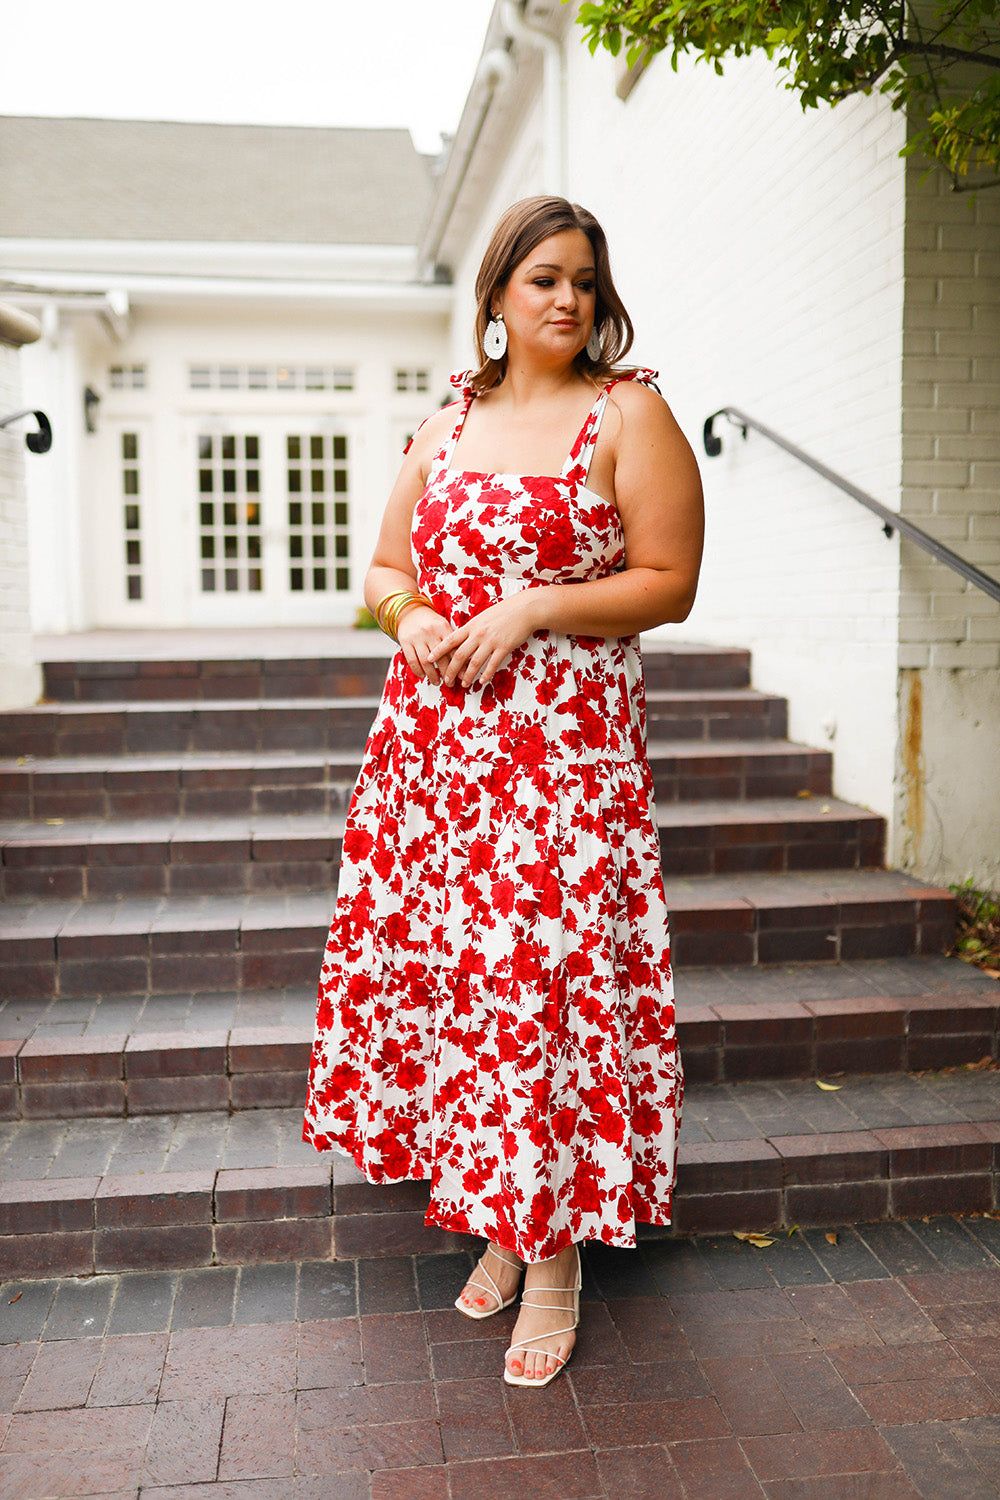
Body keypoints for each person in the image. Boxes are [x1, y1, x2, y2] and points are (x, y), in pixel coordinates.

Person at [303, 193, 705, 1388]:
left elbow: (669, 581)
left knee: (549, 994)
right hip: (437, 764)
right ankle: (499, 1215)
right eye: (542, 278)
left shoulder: (628, 412)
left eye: (584, 277)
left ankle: (557, 1258)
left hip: (566, 766)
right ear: (494, 295)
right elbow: (382, 564)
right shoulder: (448, 421)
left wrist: (531, 606)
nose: (568, 298)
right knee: (472, 995)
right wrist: (413, 611)